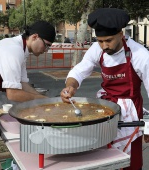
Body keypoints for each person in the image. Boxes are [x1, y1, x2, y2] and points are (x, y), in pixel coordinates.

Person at [60, 8, 149, 170]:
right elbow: (79, 71)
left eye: (108, 40)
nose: (104, 46)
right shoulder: (97, 49)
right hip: (106, 108)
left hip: (131, 112)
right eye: (100, 41)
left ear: (121, 35)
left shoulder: (140, 55)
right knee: (103, 156)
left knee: (131, 161)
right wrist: (70, 87)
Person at [0, 20, 55, 170]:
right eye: (46, 45)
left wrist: (47, 102)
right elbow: (13, 94)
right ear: (35, 37)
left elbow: (23, 84)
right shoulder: (13, 51)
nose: (46, 50)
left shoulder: (20, 50)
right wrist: (44, 100)